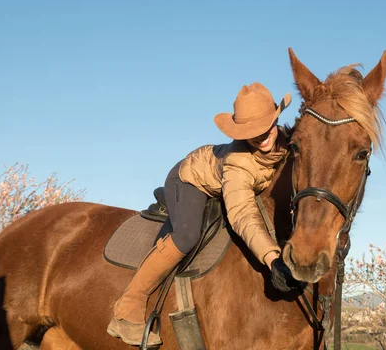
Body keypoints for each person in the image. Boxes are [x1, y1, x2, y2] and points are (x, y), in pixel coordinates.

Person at [107, 82, 304, 346]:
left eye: (265, 126)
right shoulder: (238, 163)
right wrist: (272, 258)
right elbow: (242, 214)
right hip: (189, 179)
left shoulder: (287, 142)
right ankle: (128, 307)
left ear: (276, 119)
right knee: (187, 235)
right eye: (251, 131)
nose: (260, 135)